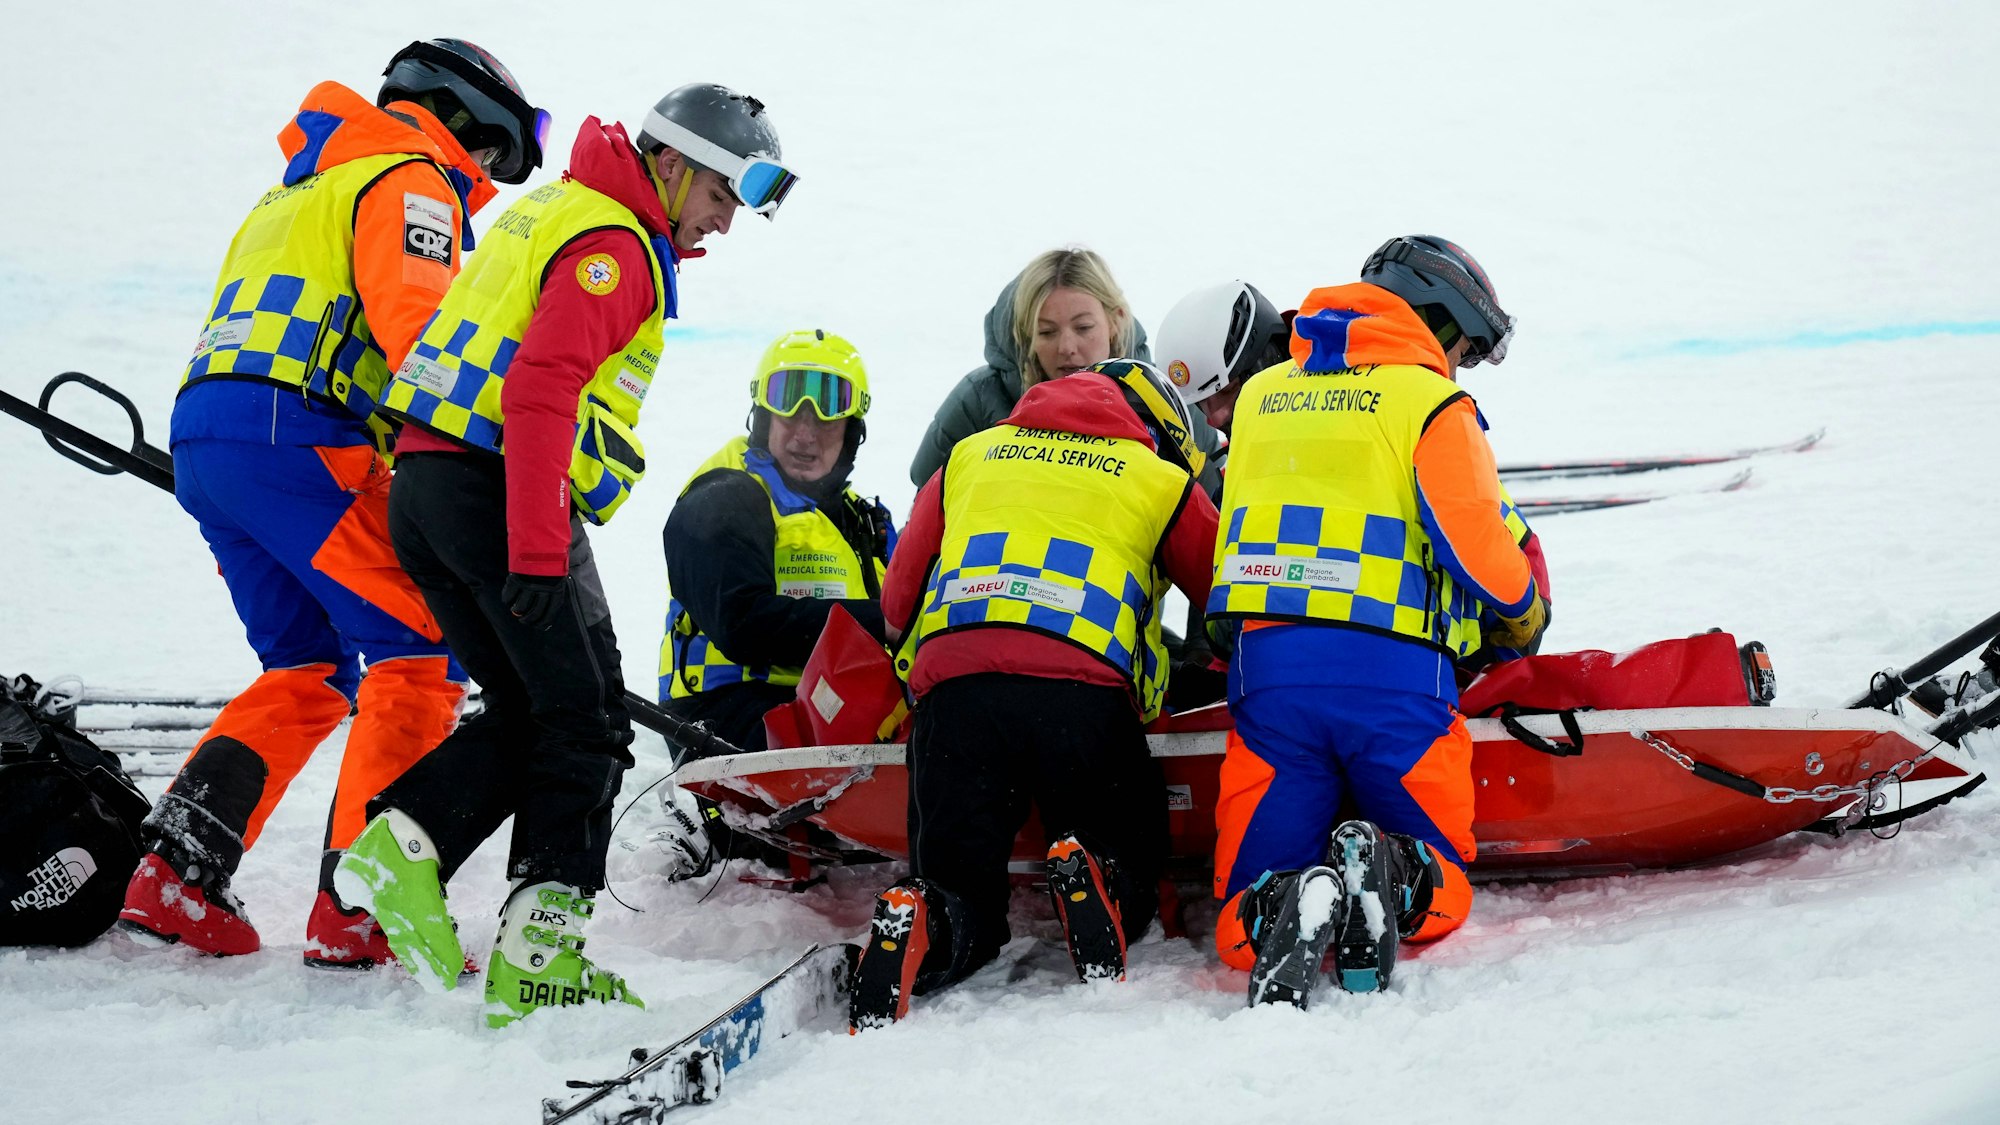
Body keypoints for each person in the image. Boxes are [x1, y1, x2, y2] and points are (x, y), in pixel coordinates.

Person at [332, 83, 797, 1028]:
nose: (725, 220)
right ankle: (537, 955)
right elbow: (542, 389)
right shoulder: (615, 244)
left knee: (536, 709)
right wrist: (539, 550)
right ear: (667, 163)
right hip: (499, 489)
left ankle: (402, 847)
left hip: (433, 485)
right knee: (586, 721)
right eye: (718, 192)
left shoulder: (558, 209)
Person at [118, 40, 546, 964]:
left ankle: (174, 873)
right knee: (420, 650)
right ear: (464, 119)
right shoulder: (412, 179)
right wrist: (487, 461)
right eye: (501, 154)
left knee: (306, 666)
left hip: (210, 436)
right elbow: (420, 338)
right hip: (300, 434)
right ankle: (364, 907)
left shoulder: (296, 191)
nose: (493, 179)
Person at [1206, 240, 1548, 1008]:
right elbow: (1477, 545)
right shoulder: (1430, 403)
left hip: (1270, 684)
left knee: (1233, 912)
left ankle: (1279, 906)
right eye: (1461, 347)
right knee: (1444, 877)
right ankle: (1392, 870)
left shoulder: (1262, 396)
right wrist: (1525, 612)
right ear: (1442, 320)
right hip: (1394, 683)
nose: (1456, 364)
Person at [849, 359, 1220, 1030]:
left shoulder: (967, 456)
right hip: (1079, 690)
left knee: (957, 874)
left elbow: (897, 605)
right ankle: (1099, 879)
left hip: (954, 690)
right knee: (1124, 843)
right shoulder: (1160, 479)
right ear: (1158, 429)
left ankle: (929, 920)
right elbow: (1226, 603)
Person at [655, 328, 895, 874]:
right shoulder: (725, 495)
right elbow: (743, 626)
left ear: (851, 432)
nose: (804, 436)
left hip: (833, 709)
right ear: (763, 419)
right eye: (789, 417)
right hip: (728, 713)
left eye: (825, 420)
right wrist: (885, 623)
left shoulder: (864, 522)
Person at [906, 247, 1223, 492]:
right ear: (1026, 335)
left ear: (1116, 320)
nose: (1066, 347)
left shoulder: (1165, 402)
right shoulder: (978, 400)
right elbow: (927, 508)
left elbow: (1216, 506)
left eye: (1083, 328)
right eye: (1047, 332)